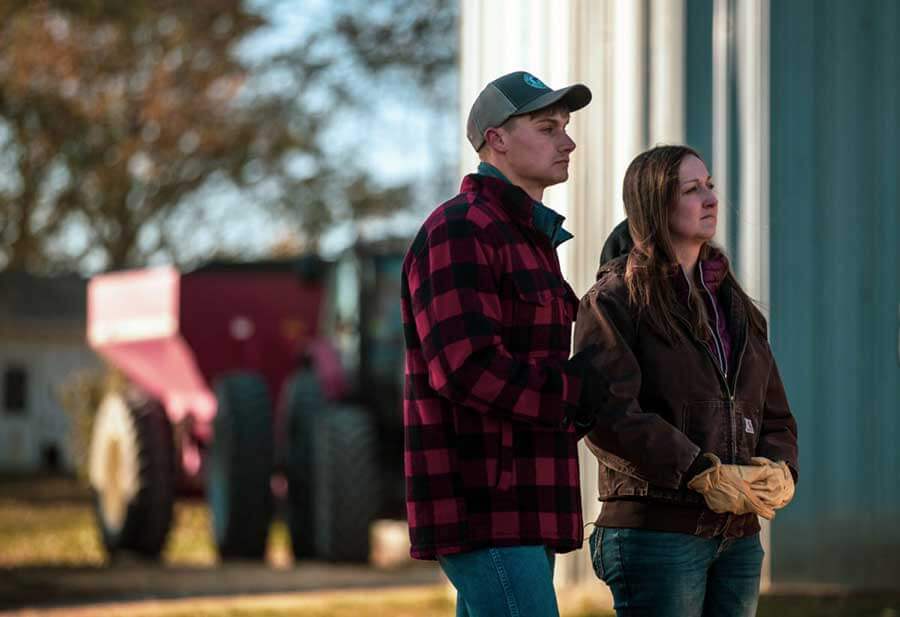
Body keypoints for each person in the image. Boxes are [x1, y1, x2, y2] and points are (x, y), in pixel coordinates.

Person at [400, 71, 598, 617]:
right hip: (484, 504)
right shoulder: (460, 229)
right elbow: (465, 368)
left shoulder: (531, 241)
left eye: (565, 126)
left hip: (528, 502)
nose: (567, 140)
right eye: (547, 126)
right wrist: (581, 390)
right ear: (498, 139)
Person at [574, 145, 799, 617]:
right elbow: (608, 414)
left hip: (738, 538)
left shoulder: (737, 307)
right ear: (655, 204)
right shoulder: (614, 299)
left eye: (710, 185)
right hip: (657, 535)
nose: (710, 199)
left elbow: (773, 411)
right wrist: (698, 471)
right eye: (691, 189)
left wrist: (781, 468)